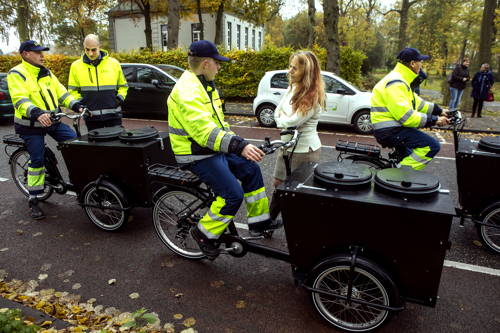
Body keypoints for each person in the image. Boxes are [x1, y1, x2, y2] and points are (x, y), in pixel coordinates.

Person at [167, 40, 281, 260]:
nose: (219, 68)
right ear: (207, 63)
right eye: (217, 63)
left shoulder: (205, 85)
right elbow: (204, 132)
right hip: (196, 153)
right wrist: (239, 146)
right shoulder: (187, 91)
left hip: (211, 147)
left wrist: (239, 146)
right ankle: (203, 234)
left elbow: (219, 126)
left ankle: (259, 223)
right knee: (232, 195)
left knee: (251, 169)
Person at [7, 40, 83, 219]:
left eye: (42, 52)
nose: (42, 55)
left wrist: (76, 105)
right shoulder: (17, 73)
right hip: (30, 126)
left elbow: (61, 92)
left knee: (77, 145)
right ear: (26, 54)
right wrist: (36, 112)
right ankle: (33, 198)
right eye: (37, 52)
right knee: (37, 159)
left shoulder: (47, 73)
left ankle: (79, 182)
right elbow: (20, 99)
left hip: (52, 121)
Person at [370, 47, 449, 170]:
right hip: (390, 131)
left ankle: (397, 173)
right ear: (412, 63)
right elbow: (406, 116)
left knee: (409, 154)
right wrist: (434, 120)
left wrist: (440, 111)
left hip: (392, 129)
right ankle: (398, 176)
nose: (421, 65)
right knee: (431, 146)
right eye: (420, 62)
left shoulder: (401, 80)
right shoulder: (396, 83)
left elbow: (418, 103)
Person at [270, 50, 325, 219]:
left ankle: (299, 230)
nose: (290, 71)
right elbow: (276, 112)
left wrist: (282, 119)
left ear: (306, 72)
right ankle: (267, 224)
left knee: (298, 193)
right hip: (287, 147)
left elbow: (292, 122)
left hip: (304, 151)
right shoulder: (292, 87)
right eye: (290, 67)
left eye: (295, 69)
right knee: (278, 185)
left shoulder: (313, 95)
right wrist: (282, 119)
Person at [68, 34, 128, 131]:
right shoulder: (76, 66)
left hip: (113, 115)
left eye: (93, 49)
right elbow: (72, 91)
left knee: (116, 144)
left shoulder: (114, 63)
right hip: (91, 117)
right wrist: (82, 104)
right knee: (97, 145)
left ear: (99, 47)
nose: (90, 53)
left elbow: (123, 86)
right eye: (87, 49)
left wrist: (119, 99)